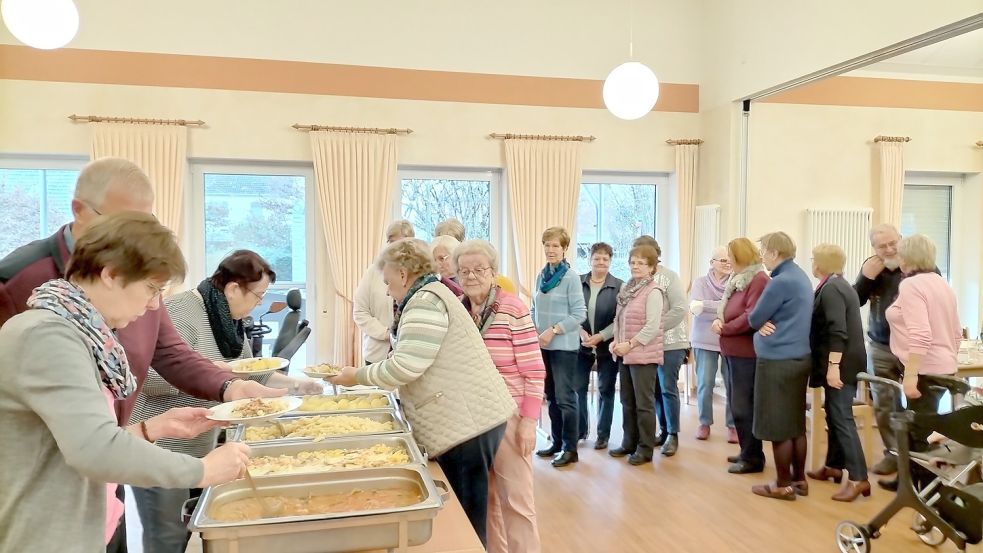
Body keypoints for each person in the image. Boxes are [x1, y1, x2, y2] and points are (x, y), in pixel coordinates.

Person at [0, 157, 278, 550]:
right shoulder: (48, 335)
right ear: (111, 274)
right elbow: (94, 449)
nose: (153, 307)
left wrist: (153, 428)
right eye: (151, 289)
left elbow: (82, 435)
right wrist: (202, 469)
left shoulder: (83, 328)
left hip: (84, 514)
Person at [130, 250, 322, 553]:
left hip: (199, 443)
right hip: (161, 445)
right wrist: (219, 371)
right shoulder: (182, 311)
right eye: (257, 297)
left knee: (188, 528)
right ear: (233, 288)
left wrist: (297, 384)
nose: (258, 305)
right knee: (167, 538)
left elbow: (250, 375)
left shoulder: (230, 321)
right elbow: (151, 380)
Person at [328, 239, 516, 546]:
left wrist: (357, 376)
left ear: (403, 275)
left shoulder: (425, 301)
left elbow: (405, 367)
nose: (388, 289)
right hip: (472, 418)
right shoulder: (432, 293)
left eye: (388, 281)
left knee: (467, 517)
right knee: (470, 508)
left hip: (467, 424)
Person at [455, 239, 545, 553]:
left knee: (517, 500)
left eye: (479, 269)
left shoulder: (512, 308)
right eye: (464, 270)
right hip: (475, 417)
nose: (471, 276)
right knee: (486, 498)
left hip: (509, 413)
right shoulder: (460, 311)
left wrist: (529, 422)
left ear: (493, 273)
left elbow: (534, 370)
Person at [881, 234, 961, 490]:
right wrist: (948, 358)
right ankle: (909, 482)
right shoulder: (941, 282)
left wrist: (912, 375)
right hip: (942, 365)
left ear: (908, 258)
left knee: (918, 433)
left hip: (924, 370)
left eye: (900, 255)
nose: (898, 259)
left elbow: (921, 333)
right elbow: (956, 331)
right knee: (917, 427)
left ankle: (928, 493)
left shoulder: (911, 286)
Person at [747, 231, 813, 501]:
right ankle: (799, 479)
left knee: (777, 425)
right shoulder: (800, 276)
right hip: (799, 357)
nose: (762, 257)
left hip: (777, 360)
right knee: (795, 424)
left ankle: (782, 484)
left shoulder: (779, 282)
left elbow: (754, 318)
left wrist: (759, 323)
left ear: (775, 253)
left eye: (763, 251)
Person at [805, 244, 870, 502]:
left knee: (842, 417)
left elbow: (837, 330)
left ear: (819, 263)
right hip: (845, 360)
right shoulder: (840, 284)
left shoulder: (831, 288)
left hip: (841, 363)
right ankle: (834, 466)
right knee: (833, 415)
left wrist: (833, 367)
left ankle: (859, 478)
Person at [853, 223, 907, 476]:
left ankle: (916, 456)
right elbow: (855, 301)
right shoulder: (872, 266)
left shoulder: (917, 263)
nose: (888, 249)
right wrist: (866, 277)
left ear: (900, 239)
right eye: (882, 246)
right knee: (885, 403)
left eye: (892, 243)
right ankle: (893, 454)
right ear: (874, 248)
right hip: (881, 345)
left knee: (917, 402)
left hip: (913, 347)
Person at [712, 238, 769, 474]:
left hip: (747, 353)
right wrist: (718, 319)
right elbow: (728, 309)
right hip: (732, 351)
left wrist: (724, 328)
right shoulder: (740, 279)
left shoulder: (758, 279)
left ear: (739, 258)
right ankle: (747, 451)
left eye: (730, 258)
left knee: (744, 406)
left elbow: (751, 316)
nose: (728, 263)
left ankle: (753, 457)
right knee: (737, 404)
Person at [532, 227, 588, 468]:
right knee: (551, 397)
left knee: (566, 398)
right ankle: (556, 442)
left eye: (555, 246)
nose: (550, 250)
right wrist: (535, 331)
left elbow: (579, 314)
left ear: (564, 249)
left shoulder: (570, 277)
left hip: (563, 346)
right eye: (547, 245)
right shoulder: (541, 275)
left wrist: (553, 330)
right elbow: (535, 308)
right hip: (542, 345)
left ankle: (570, 448)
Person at [609, 245, 666, 466]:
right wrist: (616, 341)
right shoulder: (627, 288)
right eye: (633, 262)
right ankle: (629, 442)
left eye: (641, 263)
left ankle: (645, 448)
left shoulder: (653, 291)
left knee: (644, 404)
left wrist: (629, 344)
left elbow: (652, 327)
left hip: (643, 355)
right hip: (625, 353)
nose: (636, 266)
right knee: (627, 401)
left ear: (652, 267)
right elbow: (620, 320)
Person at [633, 235, 688, 456]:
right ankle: (663, 432)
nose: (637, 261)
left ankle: (673, 434)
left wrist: (656, 328)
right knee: (654, 390)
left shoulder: (669, 277)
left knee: (667, 387)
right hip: (647, 343)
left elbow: (679, 309)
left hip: (671, 342)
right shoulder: (637, 280)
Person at [576, 242, 623, 450]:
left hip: (607, 346)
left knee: (606, 390)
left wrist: (601, 336)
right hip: (581, 345)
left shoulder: (620, 285)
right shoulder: (577, 282)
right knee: (578, 389)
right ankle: (580, 430)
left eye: (605, 259)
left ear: (610, 261)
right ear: (590, 260)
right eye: (597, 258)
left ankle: (603, 435)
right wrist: (580, 331)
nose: (601, 262)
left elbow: (620, 319)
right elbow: (571, 311)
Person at [690, 246, 735, 442]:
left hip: (730, 338)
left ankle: (733, 425)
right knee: (705, 383)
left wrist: (706, 305)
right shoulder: (700, 282)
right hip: (703, 339)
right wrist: (721, 307)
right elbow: (695, 308)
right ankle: (704, 422)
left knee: (732, 384)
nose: (727, 263)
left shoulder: (736, 282)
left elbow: (734, 308)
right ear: (712, 263)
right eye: (722, 260)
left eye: (729, 260)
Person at [353, 219, 414, 364]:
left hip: (407, 357)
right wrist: (386, 334)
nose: (397, 248)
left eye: (402, 243)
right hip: (376, 354)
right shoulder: (374, 272)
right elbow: (360, 312)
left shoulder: (417, 274)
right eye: (392, 242)